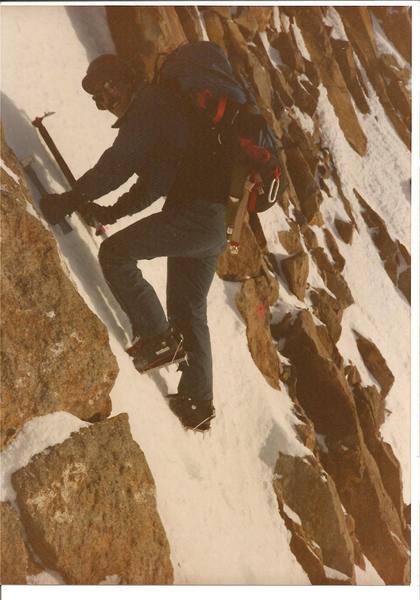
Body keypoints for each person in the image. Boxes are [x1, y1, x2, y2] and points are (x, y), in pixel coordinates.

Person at [40, 54, 235, 432]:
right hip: (218, 222)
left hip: (197, 215)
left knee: (115, 254)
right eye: (98, 98)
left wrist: (70, 200)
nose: (104, 103)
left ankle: (158, 338)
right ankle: (198, 402)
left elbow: (117, 165)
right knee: (189, 308)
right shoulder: (168, 111)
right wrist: (112, 213)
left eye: (106, 92)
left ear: (125, 80)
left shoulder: (151, 105)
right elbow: (155, 183)